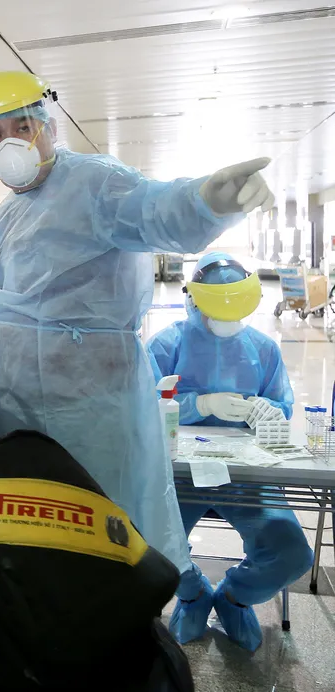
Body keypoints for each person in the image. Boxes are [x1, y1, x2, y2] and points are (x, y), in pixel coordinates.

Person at [0, 71, 276, 574]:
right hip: (20, 402)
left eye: (22, 127)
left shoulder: (95, 181)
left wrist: (207, 202)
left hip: (94, 405)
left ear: (48, 127)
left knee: (105, 535)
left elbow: (155, 210)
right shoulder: (9, 215)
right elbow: (11, 301)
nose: (8, 144)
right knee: (37, 533)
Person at [147, 252, 312, 651]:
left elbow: (281, 405)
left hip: (245, 474)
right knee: (149, 543)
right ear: (193, 300)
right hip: (177, 473)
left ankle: (236, 597)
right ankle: (192, 594)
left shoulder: (262, 348)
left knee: (292, 553)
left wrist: (266, 410)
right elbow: (145, 403)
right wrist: (199, 405)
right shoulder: (167, 344)